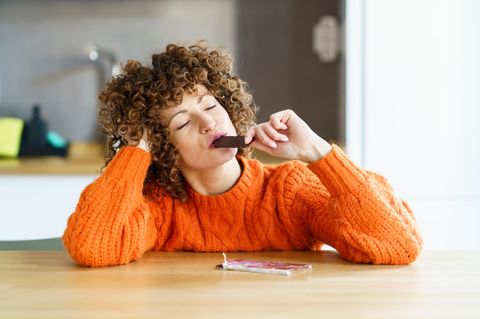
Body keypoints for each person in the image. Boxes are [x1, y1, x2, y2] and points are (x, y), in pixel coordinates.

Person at [63, 42, 422, 267]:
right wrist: (138, 149)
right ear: (162, 147)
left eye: (210, 105)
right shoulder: (160, 207)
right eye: (182, 123)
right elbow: (94, 247)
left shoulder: (288, 190)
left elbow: (397, 245)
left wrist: (317, 152)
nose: (207, 123)